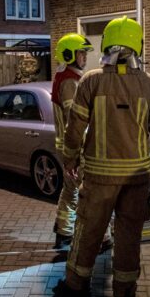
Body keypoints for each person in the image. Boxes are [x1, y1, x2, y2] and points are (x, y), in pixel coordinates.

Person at [52, 16, 150, 297]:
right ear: (137, 47)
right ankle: (124, 293)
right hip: (137, 178)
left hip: (99, 177)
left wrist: (70, 158)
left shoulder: (91, 80)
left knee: (88, 232)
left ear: (106, 45)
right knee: (129, 236)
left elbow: (75, 126)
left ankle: (76, 286)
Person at [51, 33, 112, 251]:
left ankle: (64, 231)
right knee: (90, 191)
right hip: (75, 146)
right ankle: (101, 237)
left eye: (85, 53)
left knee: (71, 189)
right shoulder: (69, 82)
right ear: (69, 54)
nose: (84, 57)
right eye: (81, 53)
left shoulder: (69, 77)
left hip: (69, 146)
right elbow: (74, 119)